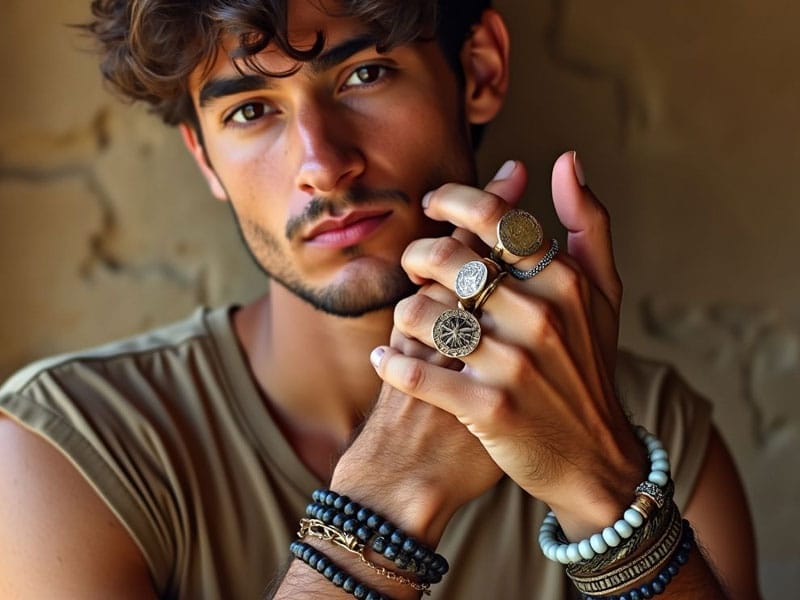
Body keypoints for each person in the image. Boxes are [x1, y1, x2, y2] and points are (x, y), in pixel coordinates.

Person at [0, 1, 760, 598]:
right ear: (204, 158)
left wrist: (602, 482)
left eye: (363, 74)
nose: (322, 165)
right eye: (250, 110)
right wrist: (388, 496)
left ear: (479, 70)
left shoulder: (655, 435)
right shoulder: (69, 450)